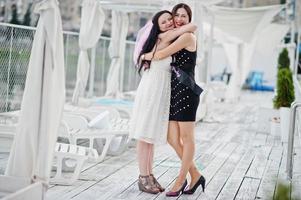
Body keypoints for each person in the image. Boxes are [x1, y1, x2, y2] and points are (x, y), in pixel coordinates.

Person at [129, 10, 197, 194]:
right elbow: (193, 26)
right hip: (152, 90)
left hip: (159, 90)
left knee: (149, 135)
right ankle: (143, 177)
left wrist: (144, 56)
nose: (168, 23)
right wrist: (143, 56)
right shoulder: (165, 35)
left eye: (169, 19)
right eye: (164, 21)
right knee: (144, 135)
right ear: (157, 26)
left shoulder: (172, 37)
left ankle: (149, 175)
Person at [142, 3, 205, 197]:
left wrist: (142, 55)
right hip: (174, 92)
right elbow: (162, 38)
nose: (178, 19)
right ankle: (195, 174)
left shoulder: (187, 36)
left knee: (187, 139)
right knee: (171, 137)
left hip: (186, 91)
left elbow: (161, 54)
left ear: (189, 18)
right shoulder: (177, 35)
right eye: (176, 15)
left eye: (183, 16)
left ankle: (180, 180)